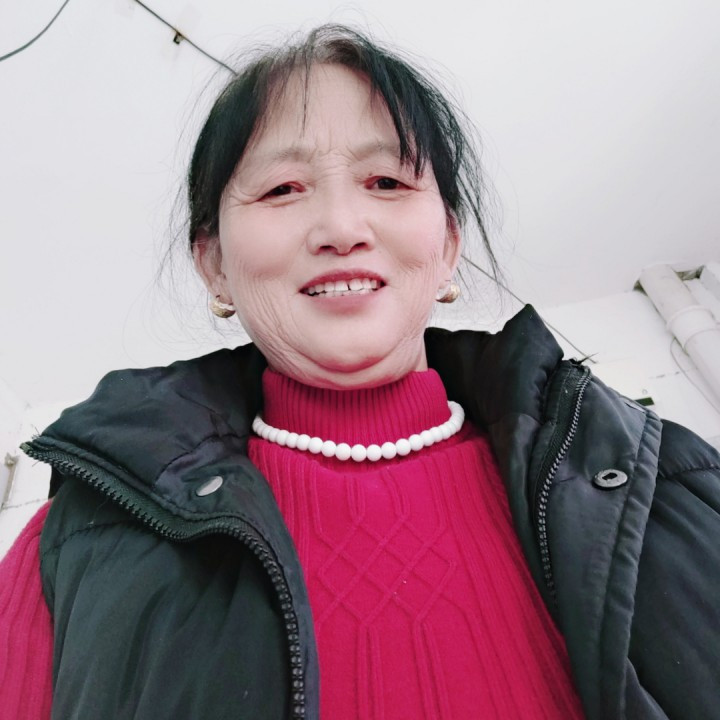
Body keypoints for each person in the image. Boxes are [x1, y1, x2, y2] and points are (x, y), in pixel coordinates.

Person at [1, 24, 719, 720]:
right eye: (282, 189)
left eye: (386, 180)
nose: (342, 228)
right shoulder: (72, 548)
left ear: (447, 247)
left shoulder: (672, 485)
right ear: (213, 264)